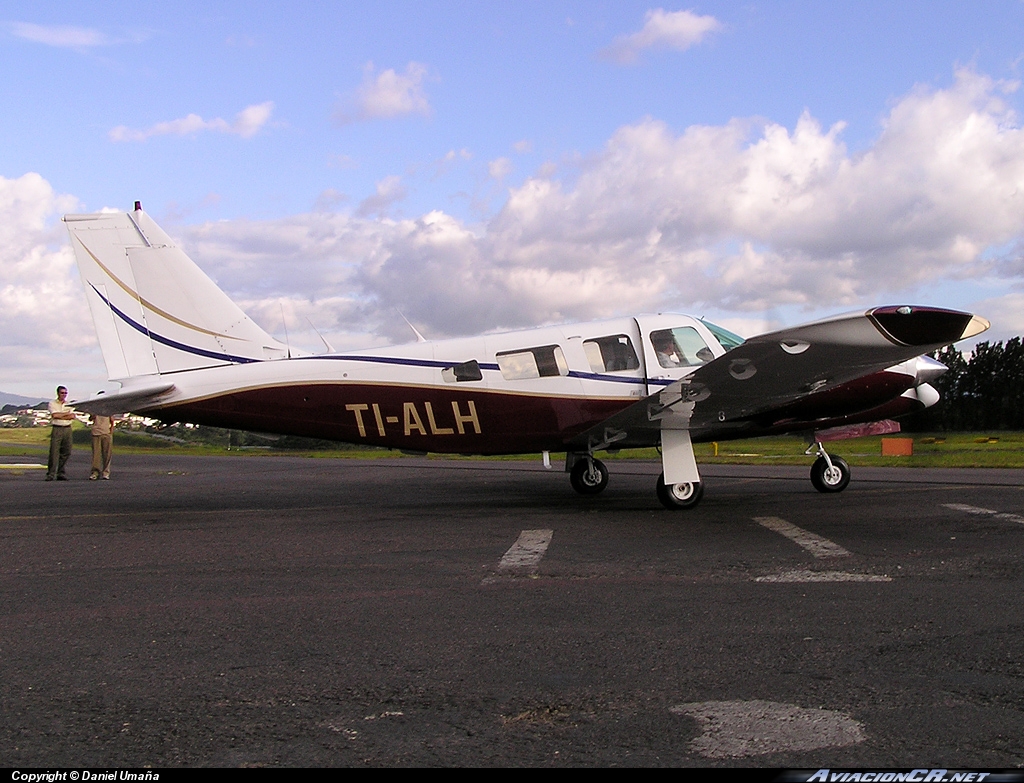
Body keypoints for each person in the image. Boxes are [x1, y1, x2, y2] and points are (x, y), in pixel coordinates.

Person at [46, 386, 75, 481]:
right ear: (58, 393)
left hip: (67, 428)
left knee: (66, 451)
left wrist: (61, 415)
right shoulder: (52, 403)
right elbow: (55, 415)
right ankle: (51, 473)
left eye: (65, 393)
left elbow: (72, 416)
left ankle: (61, 473)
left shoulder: (69, 404)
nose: (64, 395)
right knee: (54, 452)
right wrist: (65, 414)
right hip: (57, 428)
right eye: (62, 393)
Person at [89, 414, 114, 480]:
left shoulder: (108, 411)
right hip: (96, 433)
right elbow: (90, 418)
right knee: (96, 455)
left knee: (107, 454)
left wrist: (111, 431)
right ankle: (95, 472)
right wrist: (93, 416)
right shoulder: (95, 410)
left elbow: (112, 420)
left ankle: (106, 472)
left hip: (106, 433)